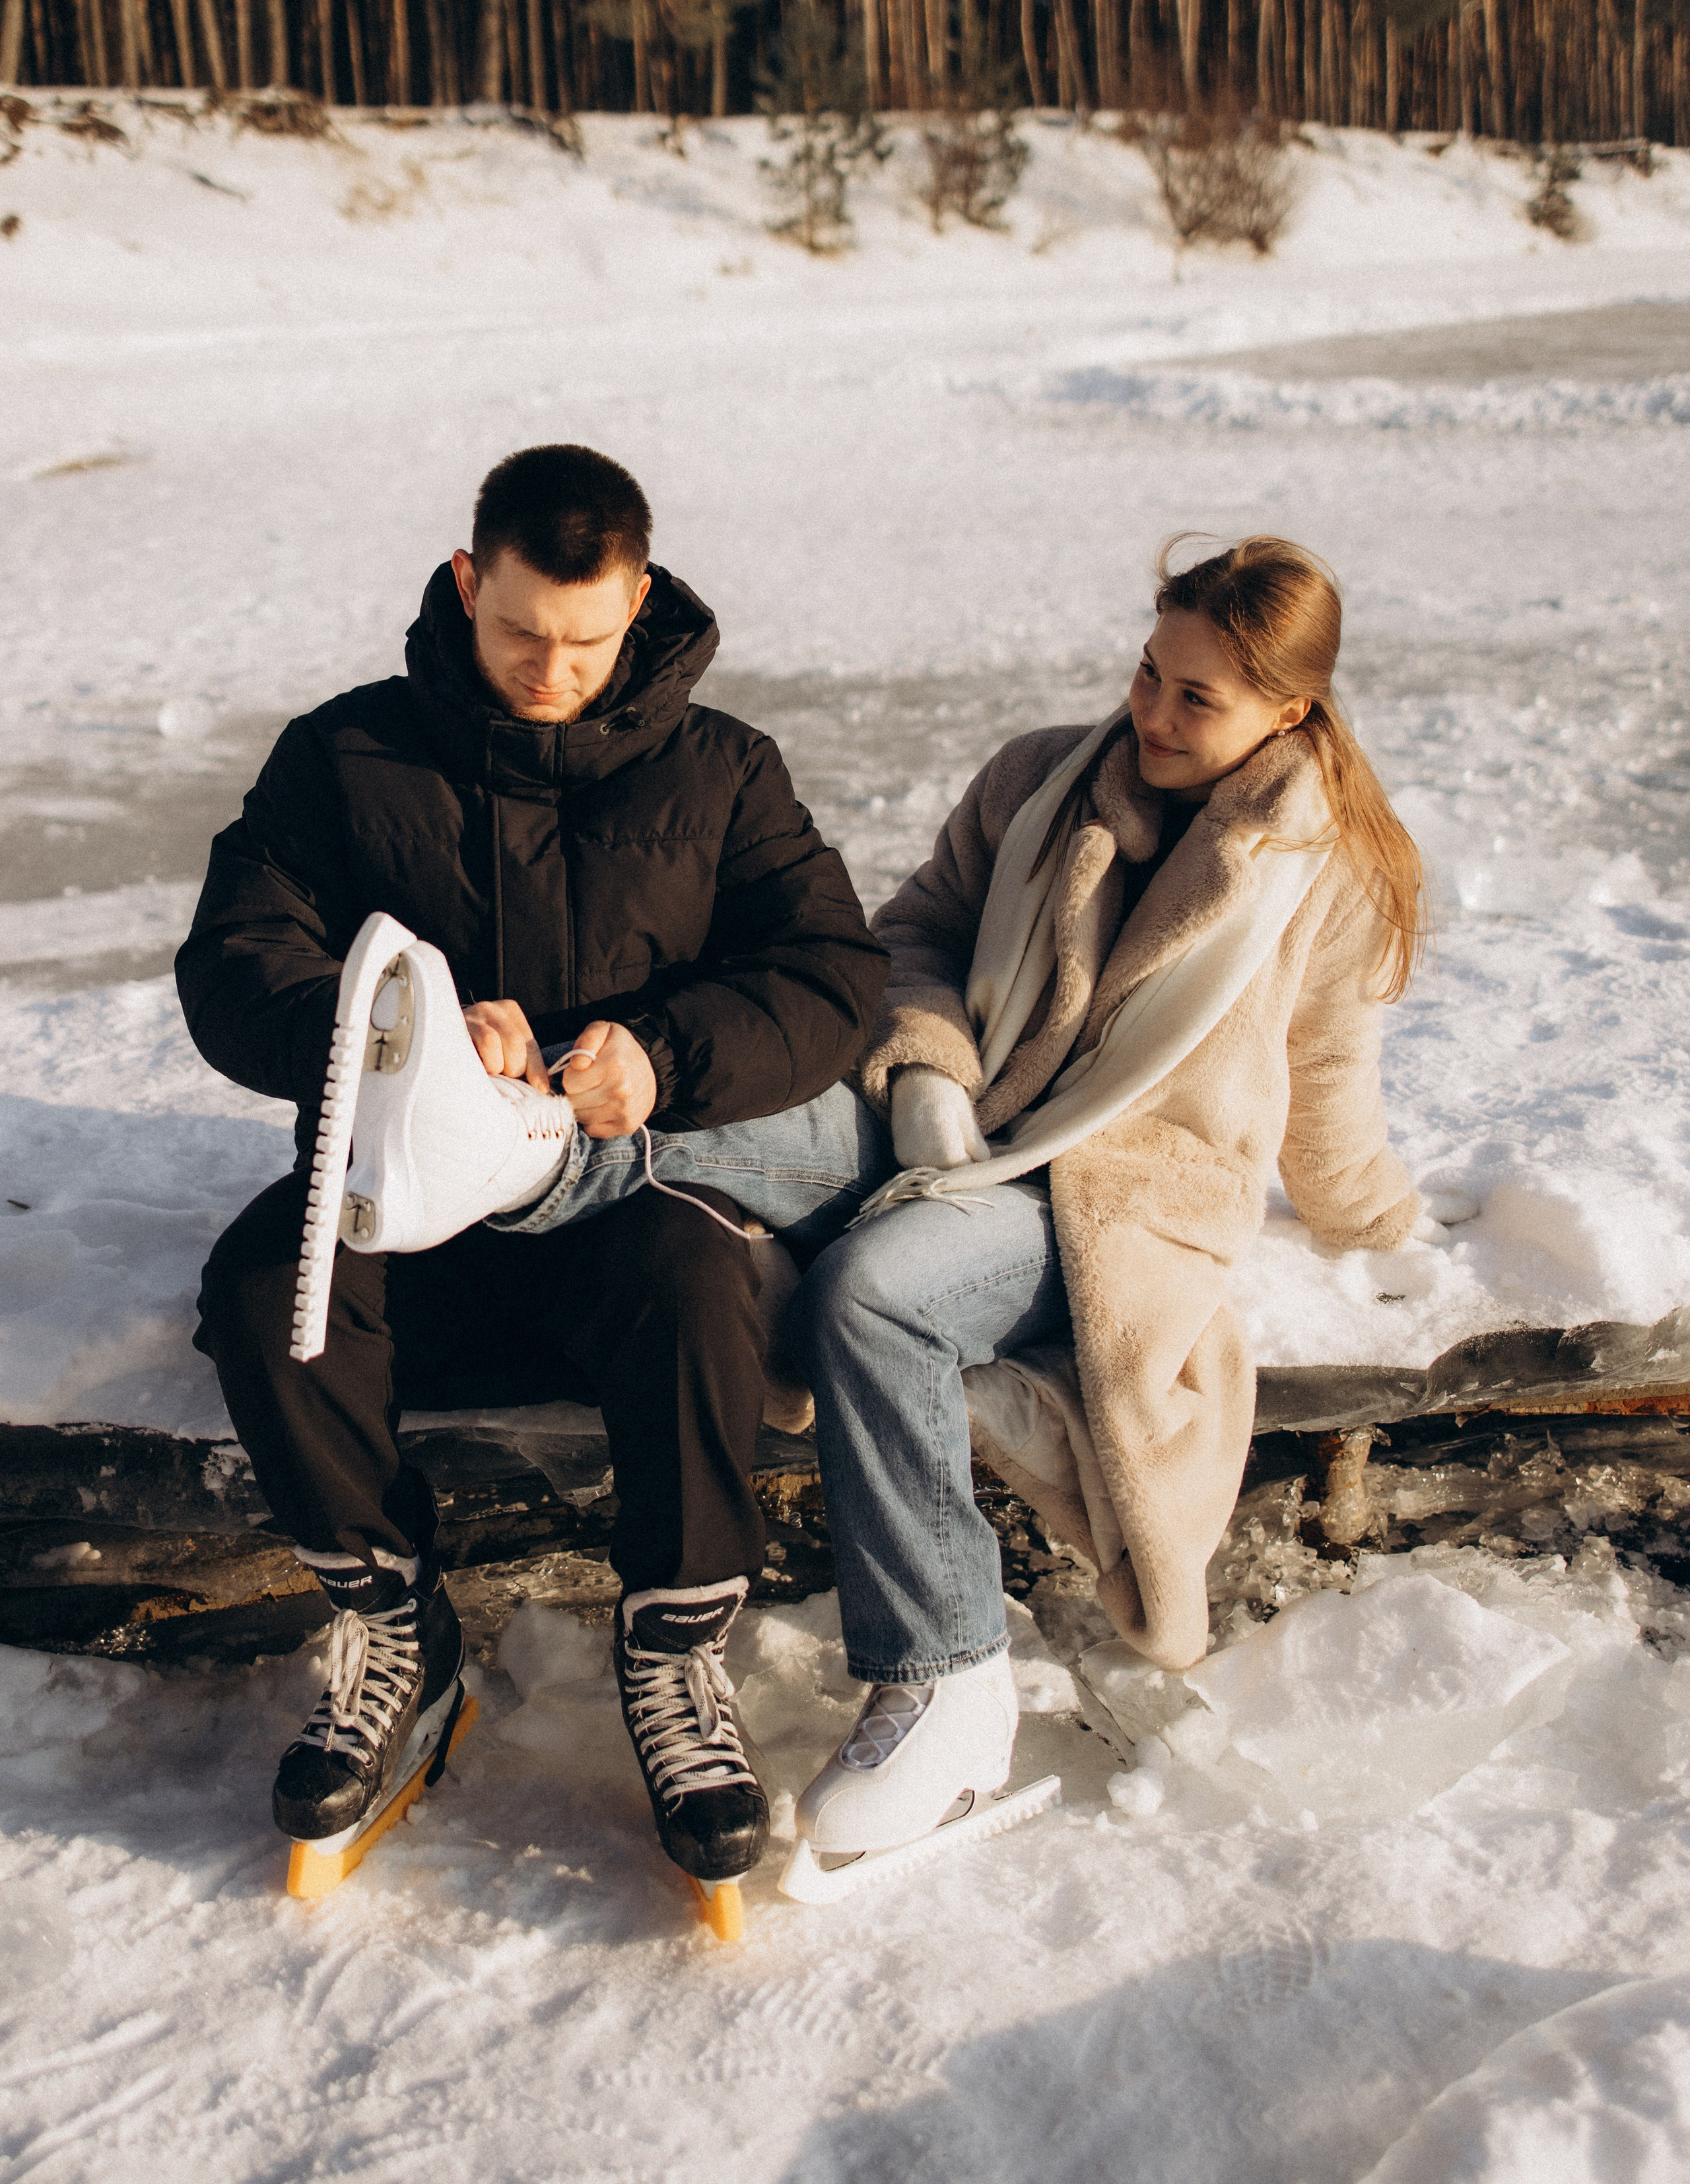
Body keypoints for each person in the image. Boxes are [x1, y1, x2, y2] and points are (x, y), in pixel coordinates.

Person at [178, 444, 888, 1896]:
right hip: (404, 1202)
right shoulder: (343, 755)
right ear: (466, 581)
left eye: (587, 640)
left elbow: (834, 979)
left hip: (620, 1208)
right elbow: (235, 963)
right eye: (518, 632)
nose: (551, 671)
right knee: (261, 1289)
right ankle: (397, 1629)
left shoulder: (724, 769)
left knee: (700, 1282)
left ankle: (676, 1654)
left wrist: (664, 1058)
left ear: (639, 598)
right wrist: (406, 1042)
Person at [785, 537, 1429, 1867]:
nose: (1152, 714)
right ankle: (518, 1156)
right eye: (1148, 673)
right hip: (966, 1120)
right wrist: (928, 1068)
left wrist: (1374, 1220)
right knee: (733, 1129)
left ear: (1288, 712)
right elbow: (913, 931)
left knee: (874, 1296)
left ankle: (947, 1688)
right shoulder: (1039, 780)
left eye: (1197, 698)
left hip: (1121, 1197)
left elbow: (1324, 1077)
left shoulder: (1329, 869)